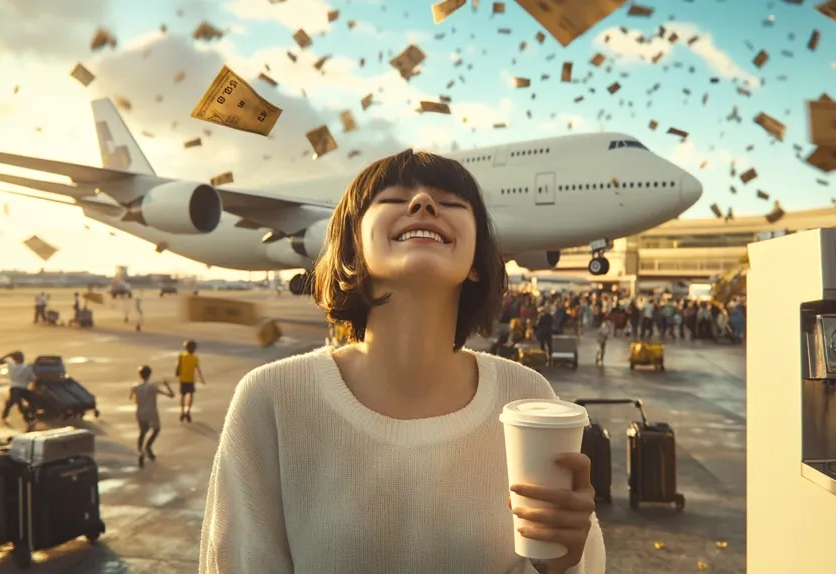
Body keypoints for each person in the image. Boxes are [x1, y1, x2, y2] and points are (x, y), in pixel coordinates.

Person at [199, 149, 605, 573]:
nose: (423, 203)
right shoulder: (273, 398)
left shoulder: (525, 396)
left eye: (451, 203)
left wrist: (562, 564)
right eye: (393, 198)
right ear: (353, 248)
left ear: (478, 262)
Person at [129, 365, 174, 468]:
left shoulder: (135, 387)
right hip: (152, 411)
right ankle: (148, 446)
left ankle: (140, 452)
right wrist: (167, 385)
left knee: (142, 432)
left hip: (140, 411)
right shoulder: (153, 387)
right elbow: (171, 395)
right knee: (156, 429)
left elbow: (131, 398)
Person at [176, 340, 206, 422]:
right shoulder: (195, 358)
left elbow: (178, 366)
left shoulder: (181, 356)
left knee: (182, 395)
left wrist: (177, 373)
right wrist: (201, 379)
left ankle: (182, 411)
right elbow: (198, 369)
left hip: (183, 379)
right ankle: (187, 410)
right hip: (190, 380)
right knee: (190, 395)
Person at [0, 351, 33, 424]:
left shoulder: (11, 366)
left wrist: (7, 355)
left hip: (14, 389)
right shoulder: (27, 367)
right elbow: (33, 378)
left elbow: (3, 360)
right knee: (28, 401)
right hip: (23, 389)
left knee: (13, 402)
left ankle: (5, 415)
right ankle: (27, 417)